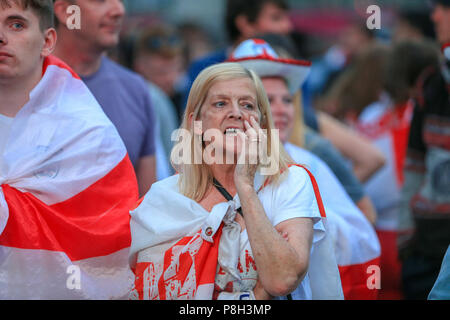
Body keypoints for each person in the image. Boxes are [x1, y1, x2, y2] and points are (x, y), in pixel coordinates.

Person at [128, 62, 343, 300]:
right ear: (195, 123)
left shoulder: (291, 182)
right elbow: (152, 289)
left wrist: (246, 186)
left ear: (262, 123)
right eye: (221, 104)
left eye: (247, 105)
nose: (236, 113)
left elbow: (282, 280)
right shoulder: (163, 199)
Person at [0, 0, 138, 299]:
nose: (1, 37)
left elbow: (114, 239)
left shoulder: (88, 133)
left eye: (16, 24)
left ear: (48, 41)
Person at [229, 38, 381, 299]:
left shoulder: (309, 161)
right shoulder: (208, 163)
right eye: (266, 100)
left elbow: (364, 226)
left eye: (287, 100)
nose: (280, 110)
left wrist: (301, 225)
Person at [53, 0, 157, 196]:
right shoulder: (21, 84)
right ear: (65, 11)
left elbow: (148, 208)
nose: (119, 10)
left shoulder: (136, 89)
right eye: (101, 0)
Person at [398, 0, 450, 299]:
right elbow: (414, 166)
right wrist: (406, 241)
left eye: (444, 6)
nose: (435, 15)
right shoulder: (430, 85)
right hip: (426, 252)